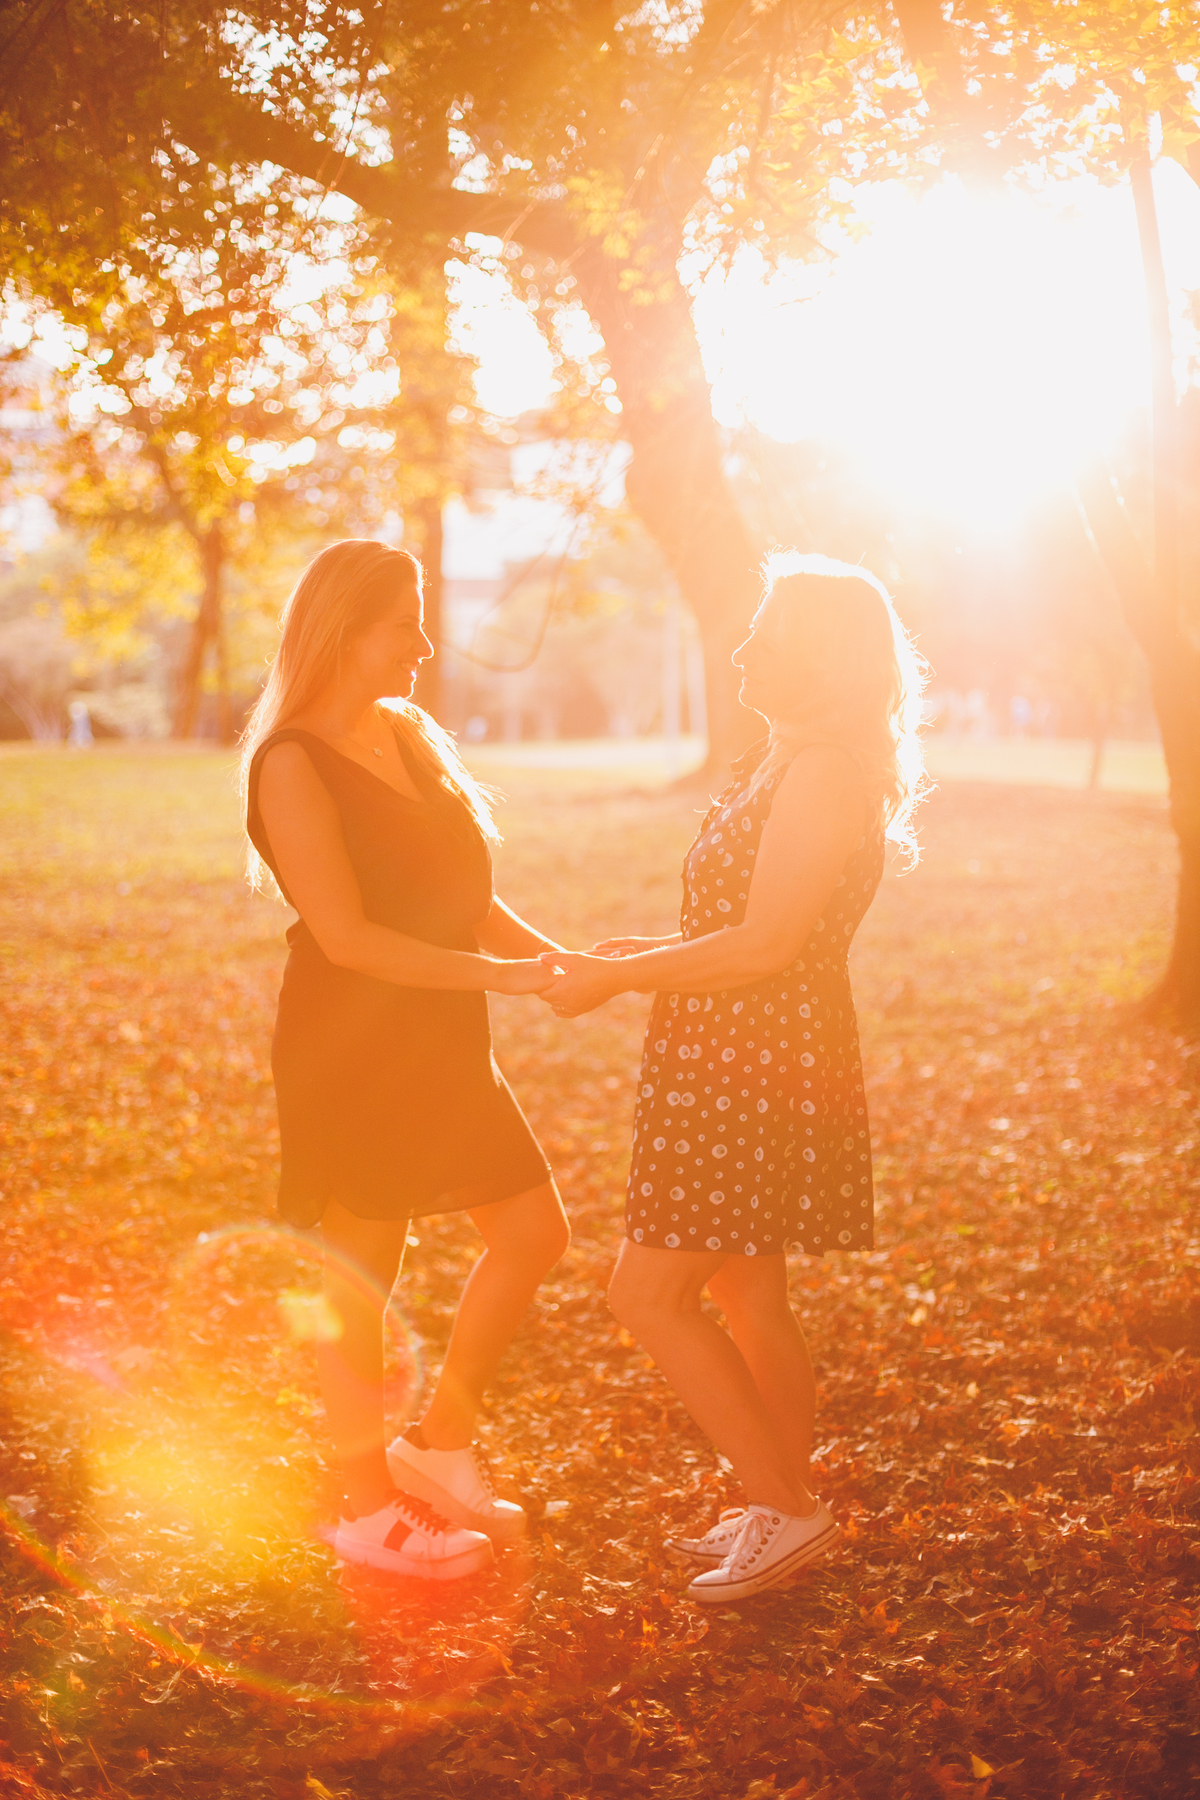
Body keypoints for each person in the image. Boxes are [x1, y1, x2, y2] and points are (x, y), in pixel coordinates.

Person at [540, 553, 926, 1604]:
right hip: (724, 1053)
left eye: (768, 634)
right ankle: (776, 1502)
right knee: (747, 1292)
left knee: (646, 1290)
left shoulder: (825, 772)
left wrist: (620, 980)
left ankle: (789, 1511)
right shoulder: (777, 759)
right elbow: (730, 928)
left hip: (760, 1062)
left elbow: (764, 947)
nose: (744, 648)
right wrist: (627, 951)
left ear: (821, 657)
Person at [241, 539, 569, 1584]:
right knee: (359, 1278)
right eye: (405, 623)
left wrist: (548, 959)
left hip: (442, 1031)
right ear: (344, 631)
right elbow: (346, 936)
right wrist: (501, 979)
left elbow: (462, 893)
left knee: (531, 1233)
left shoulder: (410, 733)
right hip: (356, 1042)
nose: (424, 644)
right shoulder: (291, 762)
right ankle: (362, 1510)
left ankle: (437, 1445)